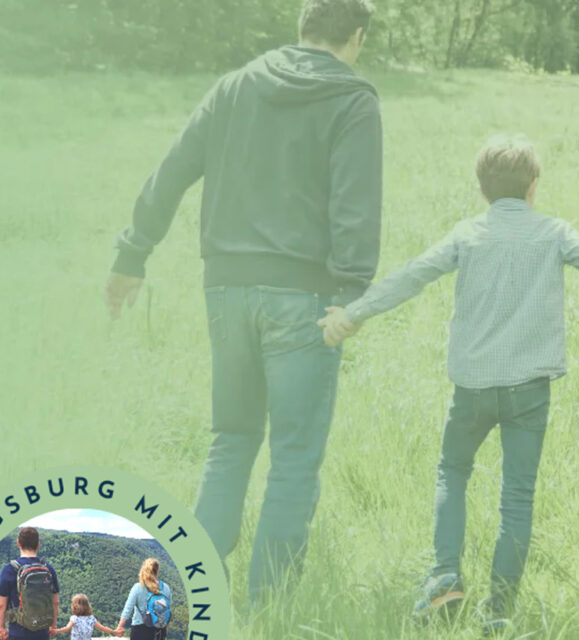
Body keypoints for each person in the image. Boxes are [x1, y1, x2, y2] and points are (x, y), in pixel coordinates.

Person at [103, 0, 383, 602]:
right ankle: (270, 605)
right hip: (305, 298)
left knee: (231, 439)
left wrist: (132, 255)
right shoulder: (353, 99)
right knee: (294, 456)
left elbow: (172, 170)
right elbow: (355, 208)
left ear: (301, 26)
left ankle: (187, 592)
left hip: (226, 289)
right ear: (356, 36)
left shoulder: (235, 86)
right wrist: (351, 297)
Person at [319, 135, 579, 634]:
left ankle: (445, 577)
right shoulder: (555, 232)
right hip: (530, 390)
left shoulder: (467, 235)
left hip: (472, 388)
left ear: (481, 189)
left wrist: (355, 313)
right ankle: (499, 609)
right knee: (517, 494)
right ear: (534, 186)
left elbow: (412, 276)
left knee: (453, 471)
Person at [0, 527, 60, 640]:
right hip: (42, 633)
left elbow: (1, 606)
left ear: (18, 543)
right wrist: (53, 625)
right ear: (38, 544)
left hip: (17, 633)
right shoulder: (48, 568)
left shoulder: (9, 569)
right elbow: (55, 602)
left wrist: (2, 628)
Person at [115, 559, 173, 640]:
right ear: (157, 571)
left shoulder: (138, 587)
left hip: (140, 630)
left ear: (143, 570)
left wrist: (120, 627)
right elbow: (168, 610)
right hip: (160, 630)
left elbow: (127, 609)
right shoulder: (165, 587)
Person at [52, 594, 121, 639]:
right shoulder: (91, 618)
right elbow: (102, 628)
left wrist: (56, 631)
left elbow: (67, 629)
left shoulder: (74, 618)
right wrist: (114, 632)